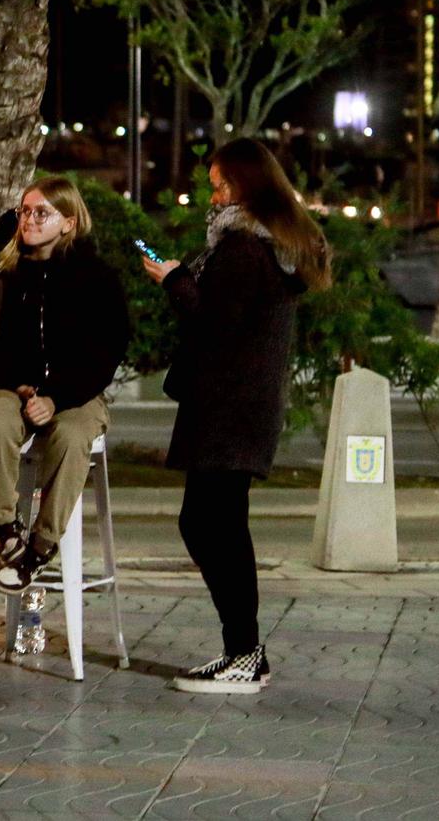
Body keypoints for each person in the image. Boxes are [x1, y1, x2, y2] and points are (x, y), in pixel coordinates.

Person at [142, 138, 330, 694]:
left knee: (209, 524)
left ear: (247, 185)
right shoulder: (267, 246)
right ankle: (244, 651)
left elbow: (217, 323)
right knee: (216, 523)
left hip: (230, 407)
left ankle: (244, 652)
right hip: (239, 405)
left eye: (220, 182)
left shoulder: (245, 248)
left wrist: (174, 279)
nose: (211, 192)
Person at [0, 176, 131, 592]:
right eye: (24, 211)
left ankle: (41, 547)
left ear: (68, 222)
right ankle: (6, 526)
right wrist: (16, 385)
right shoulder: (1, 272)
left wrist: (56, 395)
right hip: (14, 389)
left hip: (75, 392)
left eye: (41, 212)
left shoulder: (94, 277)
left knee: (74, 432)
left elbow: (108, 349)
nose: (29, 220)